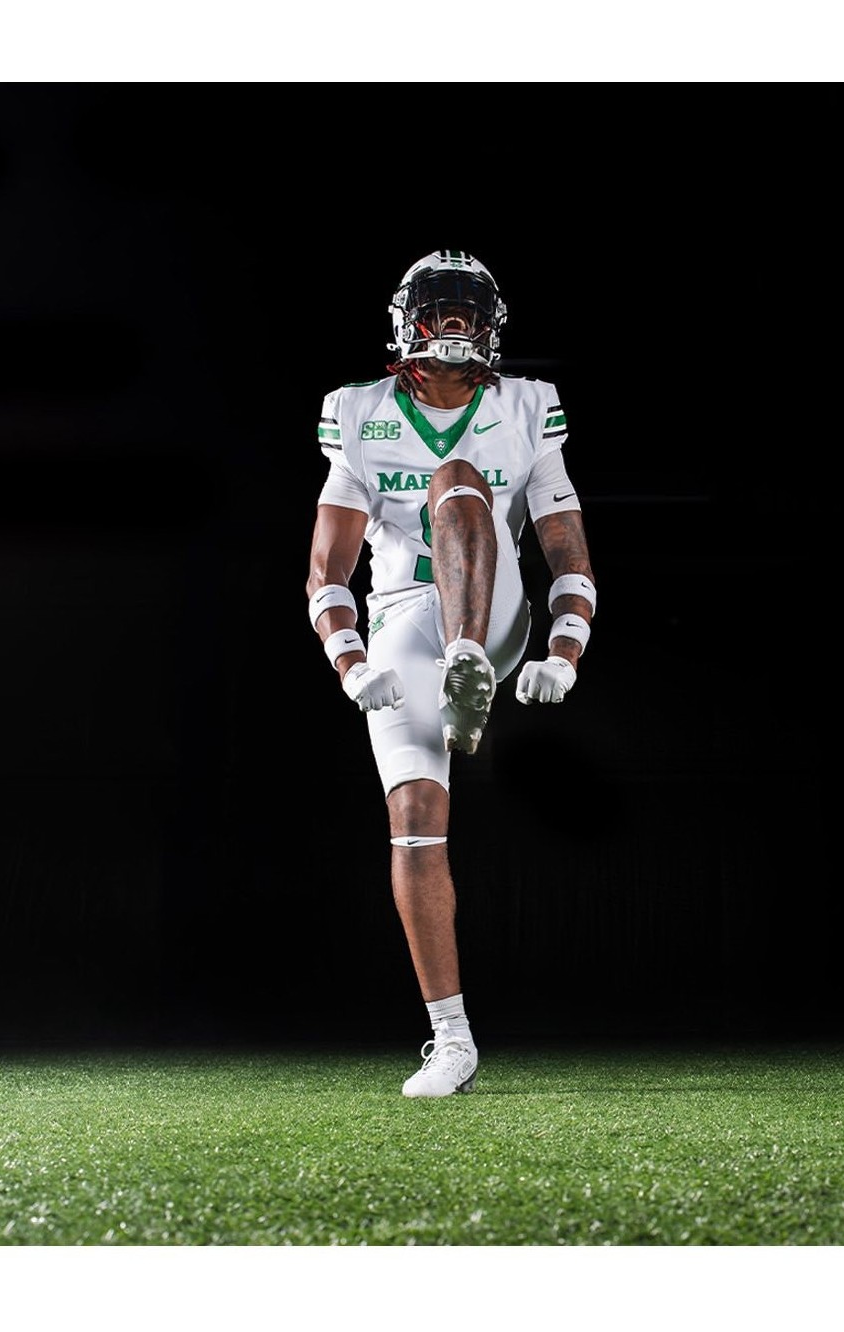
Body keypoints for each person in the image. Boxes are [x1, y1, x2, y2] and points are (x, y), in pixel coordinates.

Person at [304, 250, 598, 1098]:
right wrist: (350, 663)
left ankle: (469, 664)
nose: (455, 324)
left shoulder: (526, 406)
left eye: (469, 309)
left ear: (493, 324)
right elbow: (328, 569)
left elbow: (566, 550)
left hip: (494, 610)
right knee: (413, 817)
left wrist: (563, 651)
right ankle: (452, 1040)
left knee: (457, 479)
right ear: (408, 322)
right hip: (402, 614)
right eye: (439, 309)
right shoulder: (357, 412)